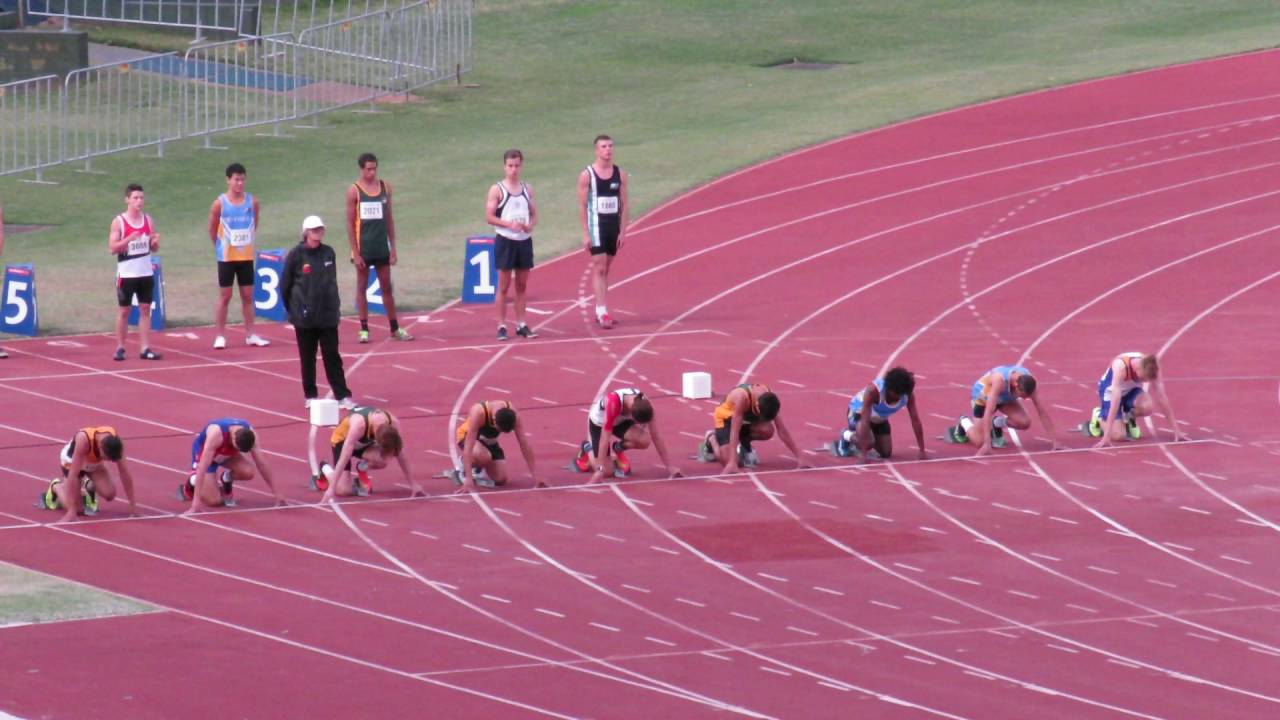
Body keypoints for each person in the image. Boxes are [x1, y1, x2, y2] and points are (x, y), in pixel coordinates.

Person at [281, 215, 355, 410]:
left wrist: (334, 307)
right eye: (314, 230)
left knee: (332, 356)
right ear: (306, 232)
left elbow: (332, 282)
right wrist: (293, 309)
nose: (318, 233)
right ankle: (311, 395)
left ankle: (342, 395)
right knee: (307, 357)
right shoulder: (296, 255)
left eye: (320, 229)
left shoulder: (329, 253)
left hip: (327, 315)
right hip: (304, 318)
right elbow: (285, 285)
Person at [346, 152, 412, 343]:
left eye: (374, 168)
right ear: (361, 169)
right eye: (368, 169)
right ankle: (364, 328)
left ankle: (394, 328)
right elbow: (350, 224)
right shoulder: (354, 191)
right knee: (362, 287)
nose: (372, 172)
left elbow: (389, 220)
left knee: (386, 288)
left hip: (381, 247)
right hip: (363, 247)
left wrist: (393, 248)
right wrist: (356, 253)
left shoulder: (385, 187)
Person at [208, 162, 270, 350]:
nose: (240, 183)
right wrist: (220, 246)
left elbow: (255, 223)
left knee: (248, 295)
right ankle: (220, 336)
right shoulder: (220, 203)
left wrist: (245, 243)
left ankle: (251, 334)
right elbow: (212, 228)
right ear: (228, 180)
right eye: (236, 180)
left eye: (242, 179)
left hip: (245, 256)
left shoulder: (252, 202)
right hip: (226, 257)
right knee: (225, 296)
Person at [317, 405, 427, 501]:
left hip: (363, 444)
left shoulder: (393, 423)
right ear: (377, 438)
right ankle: (324, 467)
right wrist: (331, 488)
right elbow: (345, 456)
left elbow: (401, 453)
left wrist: (413, 484)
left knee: (383, 459)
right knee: (343, 490)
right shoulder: (359, 425)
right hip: (342, 441)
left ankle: (361, 468)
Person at [573, 388, 682, 483]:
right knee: (607, 472)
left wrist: (670, 466)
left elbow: (656, 436)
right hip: (599, 424)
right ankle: (587, 448)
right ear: (632, 414)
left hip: (620, 422)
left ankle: (618, 448)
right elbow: (605, 438)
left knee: (644, 440)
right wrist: (599, 469)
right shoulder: (613, 402)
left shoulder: (646, 405)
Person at [948, 365, 1061, 456]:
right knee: (979, 442)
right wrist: (987, 443)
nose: (1025, 399)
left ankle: (996, 423)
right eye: (1022, 396)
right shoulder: (999, 380)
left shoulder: (1030, 381)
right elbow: (989, 411)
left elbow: (1042, 412)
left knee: (1025, 423)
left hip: (1004, 398)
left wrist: (1055, 441)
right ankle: (963, 421)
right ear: (1015, 385)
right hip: (983, 399)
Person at [486, 149, 538, 341]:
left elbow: (534, 214)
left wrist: (529, 226)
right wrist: (510, 224)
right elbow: (489, 217)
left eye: (516, 166)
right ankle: (501, 325)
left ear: (521, 166)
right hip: (506, 241)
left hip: (523, 242)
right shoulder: (497, 189)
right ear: (504, 166)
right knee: (504, 286)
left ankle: (521, 324)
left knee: (522, 285)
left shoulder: (527, 189)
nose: (513, 170)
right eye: (510, 166)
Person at [577, 135, 628, 329]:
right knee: (599, 267)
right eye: (604, 146)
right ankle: (601, 311)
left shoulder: (620, 174)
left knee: (606, 268)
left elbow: (624, 203)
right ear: (596, 150)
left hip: (612, 227)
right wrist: (585, 233)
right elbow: (582, 206)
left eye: (611, 146)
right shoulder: (587, 175)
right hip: (596, 226)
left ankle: (602, 308)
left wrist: (623, 231)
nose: (608, 150)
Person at [180, 418, 284, 513]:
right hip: (206, 455)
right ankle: (191, 483)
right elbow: (202, 466)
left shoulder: (251, 434)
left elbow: (262, 464)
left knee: (248, 472)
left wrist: (277, 494)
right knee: (214, 502)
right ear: (234, 438)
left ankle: (226, 479)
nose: (238, 450)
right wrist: (195, 504)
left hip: (226, 454)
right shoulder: (216, 434)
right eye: (237, 448)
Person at [697, 383, 805, 473]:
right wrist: (732, 462)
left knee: (767, 430)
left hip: (745, 420)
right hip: (726, 419)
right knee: (729, 461)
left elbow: (782, 430)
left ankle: (744, 446)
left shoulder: (770, 400)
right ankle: (711, 438)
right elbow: (735, 429)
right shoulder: (741, 397)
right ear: (757, 405)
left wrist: (800, 456)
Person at [108, 184, 162, 361]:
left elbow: (153, 248)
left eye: (141, 198)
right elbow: (112, 248)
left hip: (145, 272)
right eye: (135, 198)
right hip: (127, 274)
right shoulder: (119, 222)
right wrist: (129, 239)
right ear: (127, 200)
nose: (139, 201)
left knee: (145, 308)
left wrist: (155, 241)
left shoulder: (148, 220)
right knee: (124, 310)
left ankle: (145, 348)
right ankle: (120, 347)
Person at [1087, 352, 1186, 446]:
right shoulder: (1120, 367)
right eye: (1143, 379)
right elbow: (1115, 401)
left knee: (1148, 407)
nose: (1144, 381)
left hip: (1131, 390)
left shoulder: (1153, 366)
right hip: (1110, 392)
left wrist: (1176, 430)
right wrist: (1106, 435)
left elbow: (1161, 398)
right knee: (1118, 436)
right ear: (1137, 369)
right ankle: (1098, 415)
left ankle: (1127, 417)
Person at [40, 426, 136, 522]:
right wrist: (71, 511)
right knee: (78, 510)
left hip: (93, 463)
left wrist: (133, 506)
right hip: (72, 462)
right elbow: (73, 474)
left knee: (110, 494)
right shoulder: (83, 440)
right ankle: (57, 486)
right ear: (100, 447)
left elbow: (124, 473)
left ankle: (88, 486)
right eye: (107, 458)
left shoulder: (115, 442)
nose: (110, 461)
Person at [833, 366, 927, 463]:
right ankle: (845, 434)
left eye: (902, 394)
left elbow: (915, 420)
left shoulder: (907, 394)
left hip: (879, 418)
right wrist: (864, 454)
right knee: (868, 443)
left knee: (886, 453)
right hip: (858, 413)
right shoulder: (873, 391)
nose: (900, 398)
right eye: (897, 394)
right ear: (889, 389)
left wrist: (922, 450)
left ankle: (865, 438)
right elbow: (865, 420)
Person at [452, 400, 541, 492]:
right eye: (499, 429)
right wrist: (468, 480)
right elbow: (468, 447)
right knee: (483, 456)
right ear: (494, 420)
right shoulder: (479, 412)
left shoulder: (514, 415)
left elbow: (524, 443)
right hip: (467, 437)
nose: (500, 432)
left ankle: (479, 466)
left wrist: (536, 475)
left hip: (489, 441)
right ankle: (463, 464)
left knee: (501, 479)